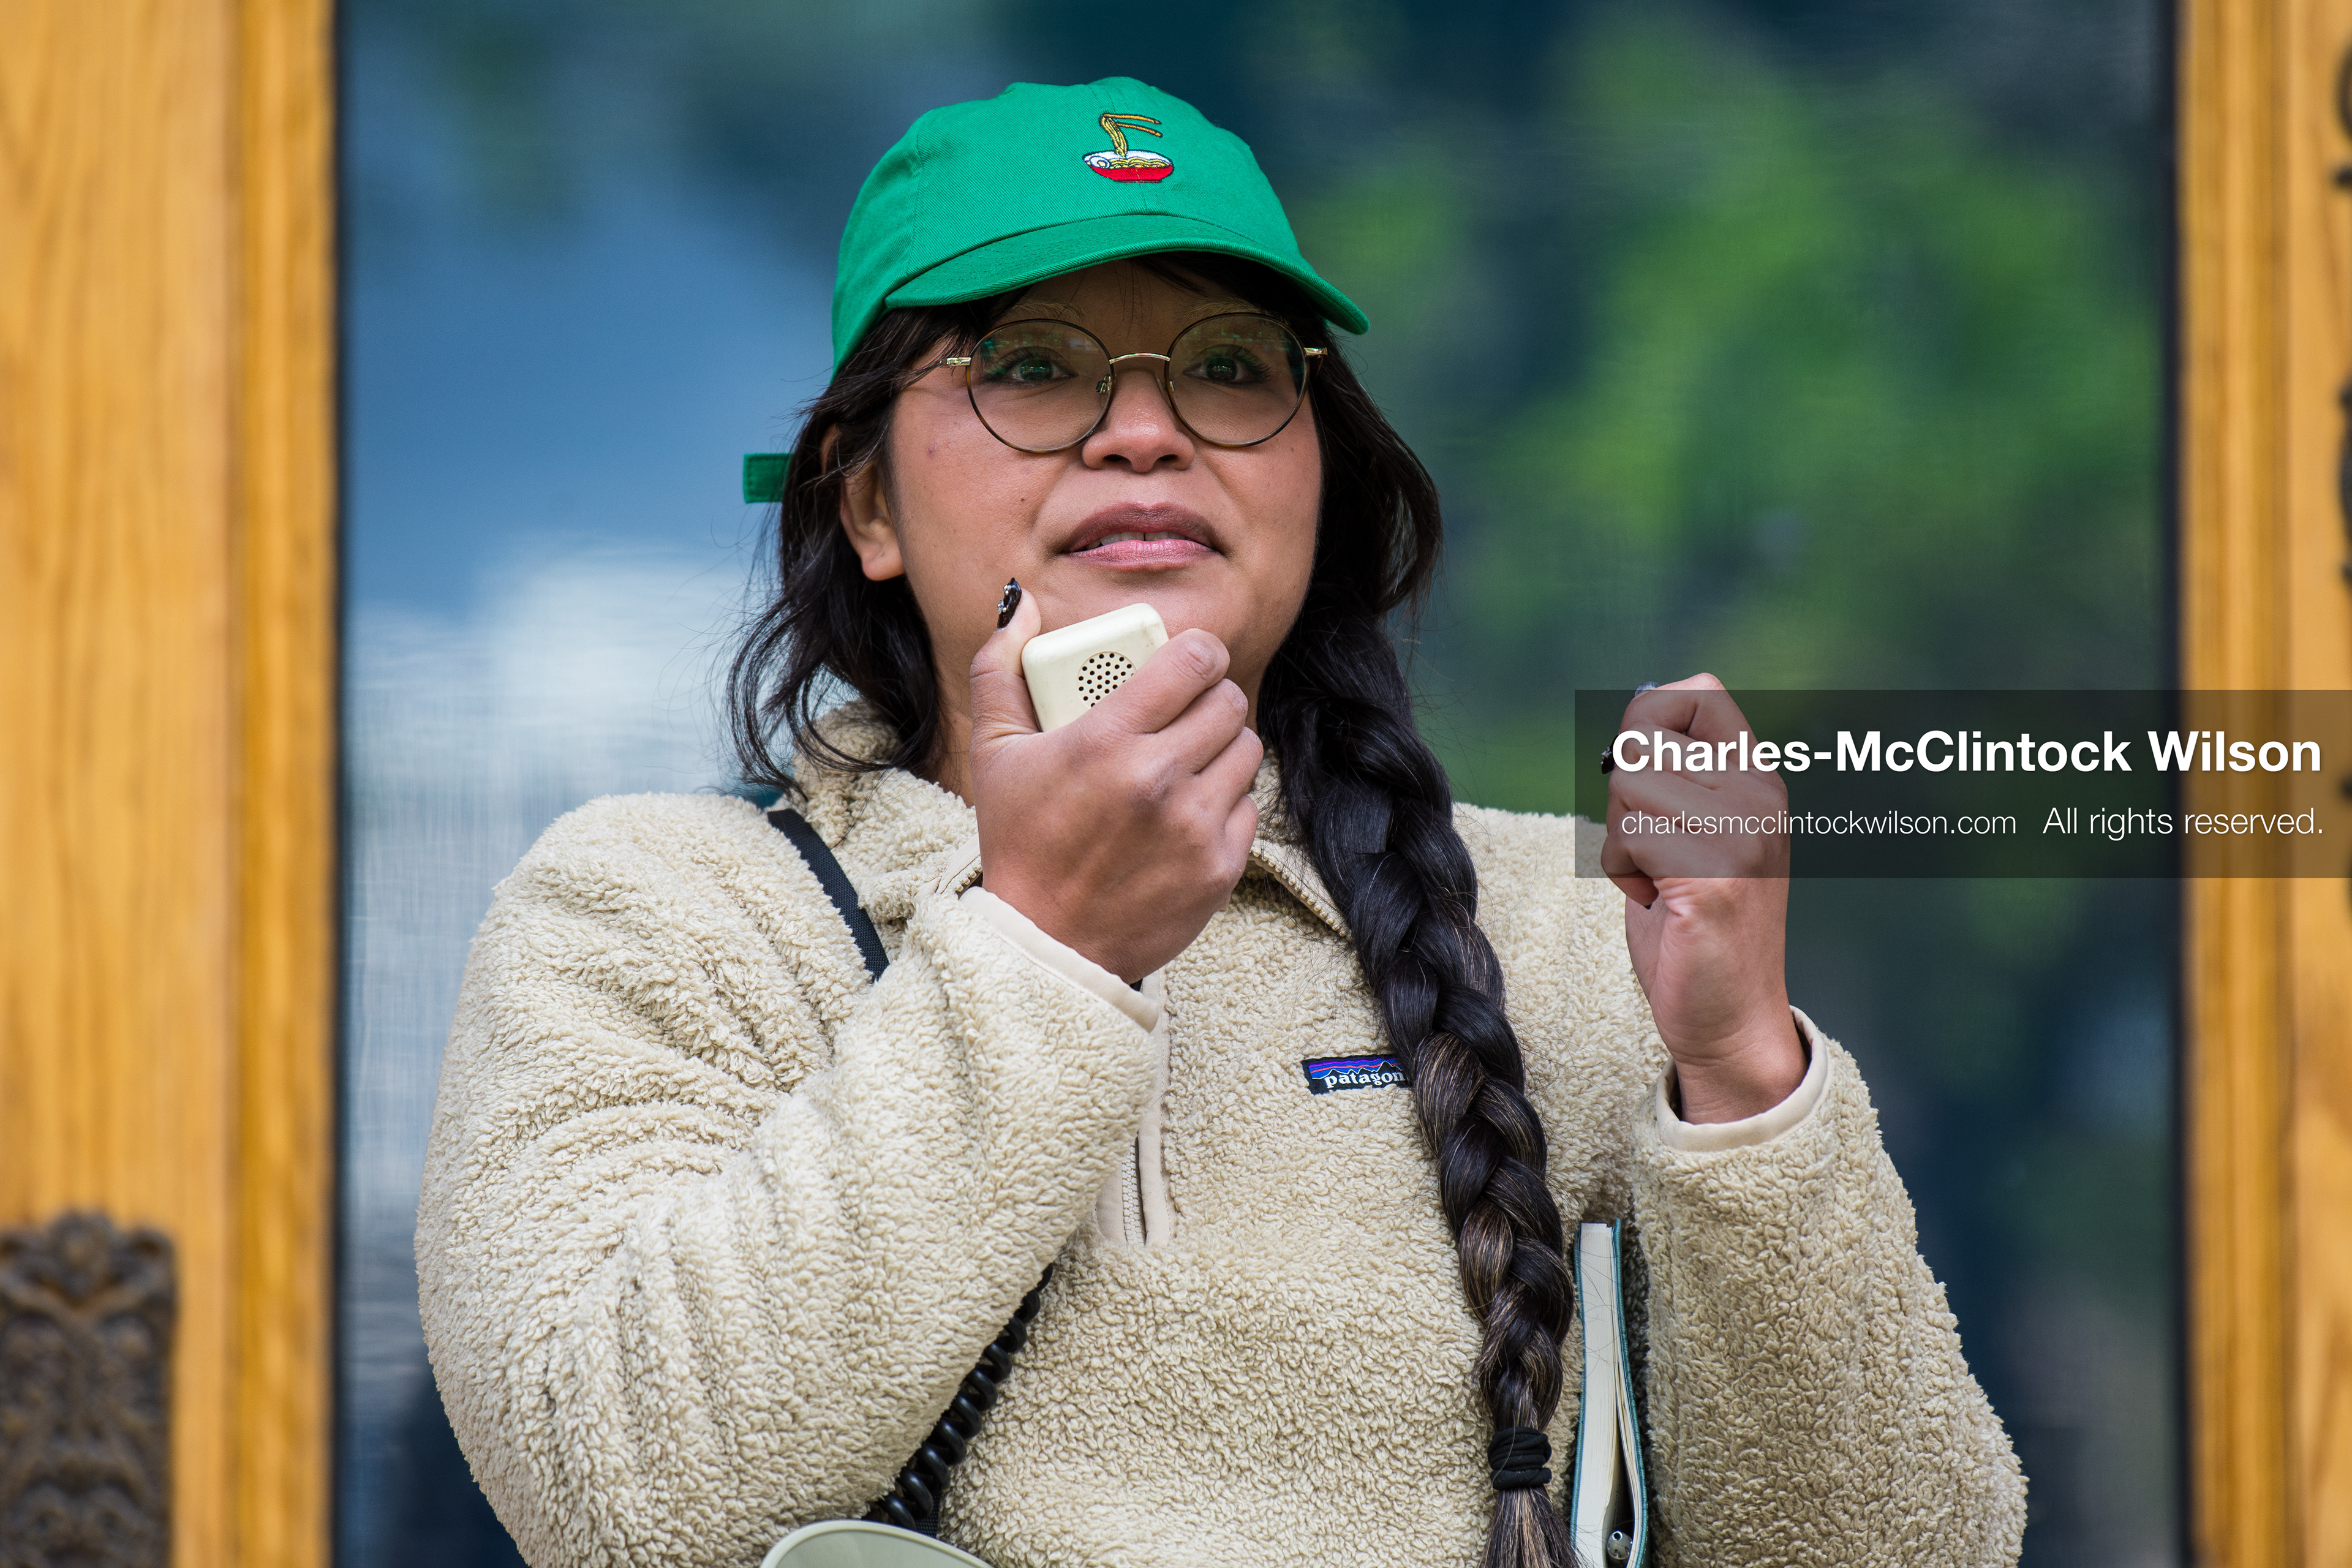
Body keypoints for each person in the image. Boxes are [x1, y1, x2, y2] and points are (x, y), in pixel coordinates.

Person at [417, 77, 2027, 1568]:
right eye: (1031, 365)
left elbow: (1912, 1549)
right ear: (865, 504)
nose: (1145, 428)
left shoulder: (1568, 924)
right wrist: (1047, 951)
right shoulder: (655, 914)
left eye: (1234, 370)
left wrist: (1746, 1079)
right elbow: (611, 1494)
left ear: (1315, 484)